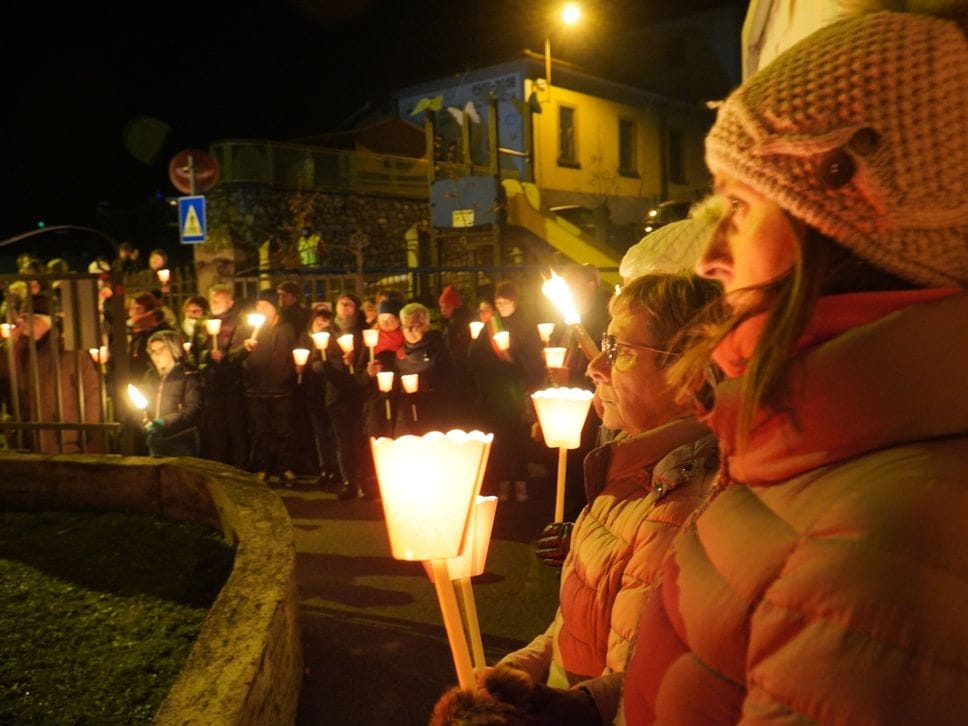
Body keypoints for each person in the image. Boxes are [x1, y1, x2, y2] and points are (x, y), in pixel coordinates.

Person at [619, 6, 968, 723]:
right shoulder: (796, 451)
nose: (709, 258)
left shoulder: (879, 545)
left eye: (739, 205)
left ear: (843, 222)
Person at [430, 273, 723, 725]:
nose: (595, 367)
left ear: (688, 373)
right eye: (605, 344)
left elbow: (642, 689)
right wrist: (514, 676)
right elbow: (572, 628)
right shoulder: (626, 479)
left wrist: (557, 710)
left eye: (620, 350)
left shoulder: (681, 512)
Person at [0, 294, 104, 454]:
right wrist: (12, 345)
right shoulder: (17, 350)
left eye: (30, 318)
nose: (24, 323)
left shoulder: (69, 352)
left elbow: (91, 391)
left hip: (66, 439)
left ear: (45, 322)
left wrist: (87, 429)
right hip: (26, 439)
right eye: (22, 318)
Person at [229, 289, 299, 486]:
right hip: (255, 389)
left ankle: (284, 468)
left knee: (283, 431)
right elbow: (232, 357)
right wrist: (244, 348)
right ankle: (262, 468)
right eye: (258, 306)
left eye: (266, 306)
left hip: (282, 389)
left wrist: (295, 369)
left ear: (275, 308)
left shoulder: (287, 329)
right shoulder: (246, 329)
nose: (261, 310)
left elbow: (296, 352)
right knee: (260, 432)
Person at [195, 284, 249, 469]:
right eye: (213, 299)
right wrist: (206, 356)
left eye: (220, 300)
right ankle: (218, 465)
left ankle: (240, 465)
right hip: (209, 383)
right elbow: (194, 353)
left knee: (235, 426)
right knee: (215, 427)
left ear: (230, 303)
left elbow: (239, 352)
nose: (215, 303)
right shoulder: (201, 323)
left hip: (231, 382)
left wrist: (224, 357)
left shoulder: (238, 323)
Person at [393, 302, 456, 436]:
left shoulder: (439, 350)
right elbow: (395, 388)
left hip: (434, 416)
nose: (410, 330)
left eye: (415, 325)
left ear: (426, 326)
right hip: (407, 418)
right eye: (406, 326)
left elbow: (450, 383)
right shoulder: (399, 354)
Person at [139, 330, 201, 457]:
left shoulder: (188, 375)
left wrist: (163, 422)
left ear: (174, 349)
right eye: (153, 351)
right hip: (156, 440)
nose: (156, 355)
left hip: (181, 439)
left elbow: (192, 409)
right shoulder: (150, 376)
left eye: (162, 349)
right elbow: (139, 403)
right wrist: (142, 420)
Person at [436, 283, 473, 406]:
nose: (443, 310)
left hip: (461, 371)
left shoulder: (458, 325)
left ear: (455, 307)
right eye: (441, 307)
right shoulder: (449, 323)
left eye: (447, 307)